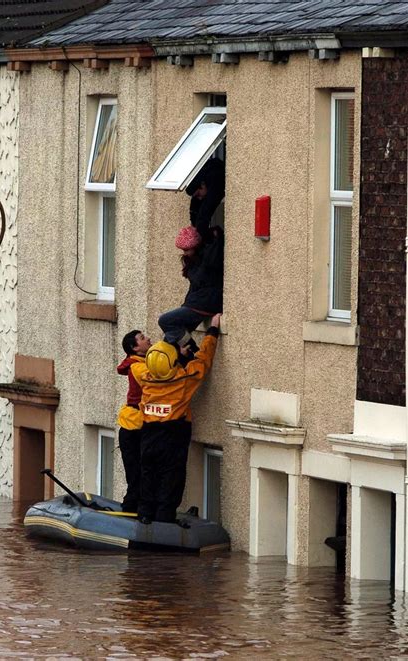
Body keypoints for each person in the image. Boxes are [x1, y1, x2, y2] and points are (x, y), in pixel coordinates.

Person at [132, 314, 221, 525]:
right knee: (171, 477)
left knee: (148, 474)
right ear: (173, 363)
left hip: (148, 434)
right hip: (173, 434)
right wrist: (213, 331)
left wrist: (176, 355)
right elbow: (203, 359)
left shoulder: (145, 377)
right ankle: (164, 519)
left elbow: (160, 366)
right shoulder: (183, 379)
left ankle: (144, 514)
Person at [158, 158, 225, 348]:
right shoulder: (194, 259)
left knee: (165, 321)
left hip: (205, 304)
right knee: (172, 336)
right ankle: (183, 357)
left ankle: (191, 352)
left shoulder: (207, 257)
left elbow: (204, 218)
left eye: (187, 249)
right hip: (198, 303)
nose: (185, 253)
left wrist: (211, 234)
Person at [116, 329, 151, 512]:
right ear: (134, 347)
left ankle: (134, 505)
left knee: (139, 471)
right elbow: (155, 380)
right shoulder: (138, 366)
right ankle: (131, 507)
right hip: (133, 426)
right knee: (136, 472)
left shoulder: (141, 362)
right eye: (143, 338)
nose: (148, 339)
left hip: (134, 424)